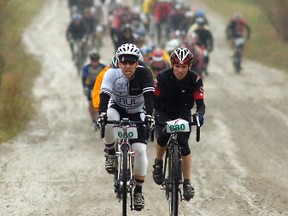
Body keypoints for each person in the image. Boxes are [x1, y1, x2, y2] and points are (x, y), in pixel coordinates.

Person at [97, 43, 154, 211]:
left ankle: (138, 191)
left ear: (137, 63)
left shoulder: (145, 74)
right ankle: (110, 153)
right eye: (124, 62)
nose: (128, 66)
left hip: (138, 112)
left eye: (131, 62)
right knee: (107, 117)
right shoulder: (111, 73)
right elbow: (105, 95)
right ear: (119, 63)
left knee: (140, 150)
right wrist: (101, 113)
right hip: (117, 108)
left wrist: (150, 116)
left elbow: (150, 97)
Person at [152, 47, 205, 201]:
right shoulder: (162, 77)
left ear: (189, 67)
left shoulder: (195, 79)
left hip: (183, 112)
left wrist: (200, 115)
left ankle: (187, 183)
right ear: (172, 65)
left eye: (184, 67)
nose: (180, 70)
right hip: (164, 111)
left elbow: (200, 104)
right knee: (162, 137)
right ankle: (158, 162)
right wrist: (151, 115)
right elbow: (153, 100)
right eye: (177, 66)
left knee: (183, 144)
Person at [82, 52, 106, 130]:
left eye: (96, 60)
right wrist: (85, 87)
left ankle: (101, 118)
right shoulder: (86, 68)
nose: (94, 62)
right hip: (90, 87)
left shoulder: (103, 67)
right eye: (93, 60)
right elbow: (84, 79)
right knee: (91, 103)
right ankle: (93, 120)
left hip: (101, 87)